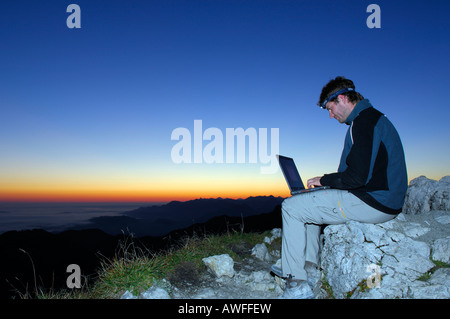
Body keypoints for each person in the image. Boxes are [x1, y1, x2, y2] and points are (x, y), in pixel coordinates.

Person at [273, 76, 408, 299]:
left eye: (330, 108)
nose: (331, 115)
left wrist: (325, 180)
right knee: (307, 204)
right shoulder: (373, 118)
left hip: (374, 201)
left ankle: (296, 284)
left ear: (342, 98)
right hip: (382, 197)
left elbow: (356, 177)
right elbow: (363, 173)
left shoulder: (363, 122)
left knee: (291, 207)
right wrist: (326, 185)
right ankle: (308, 268)